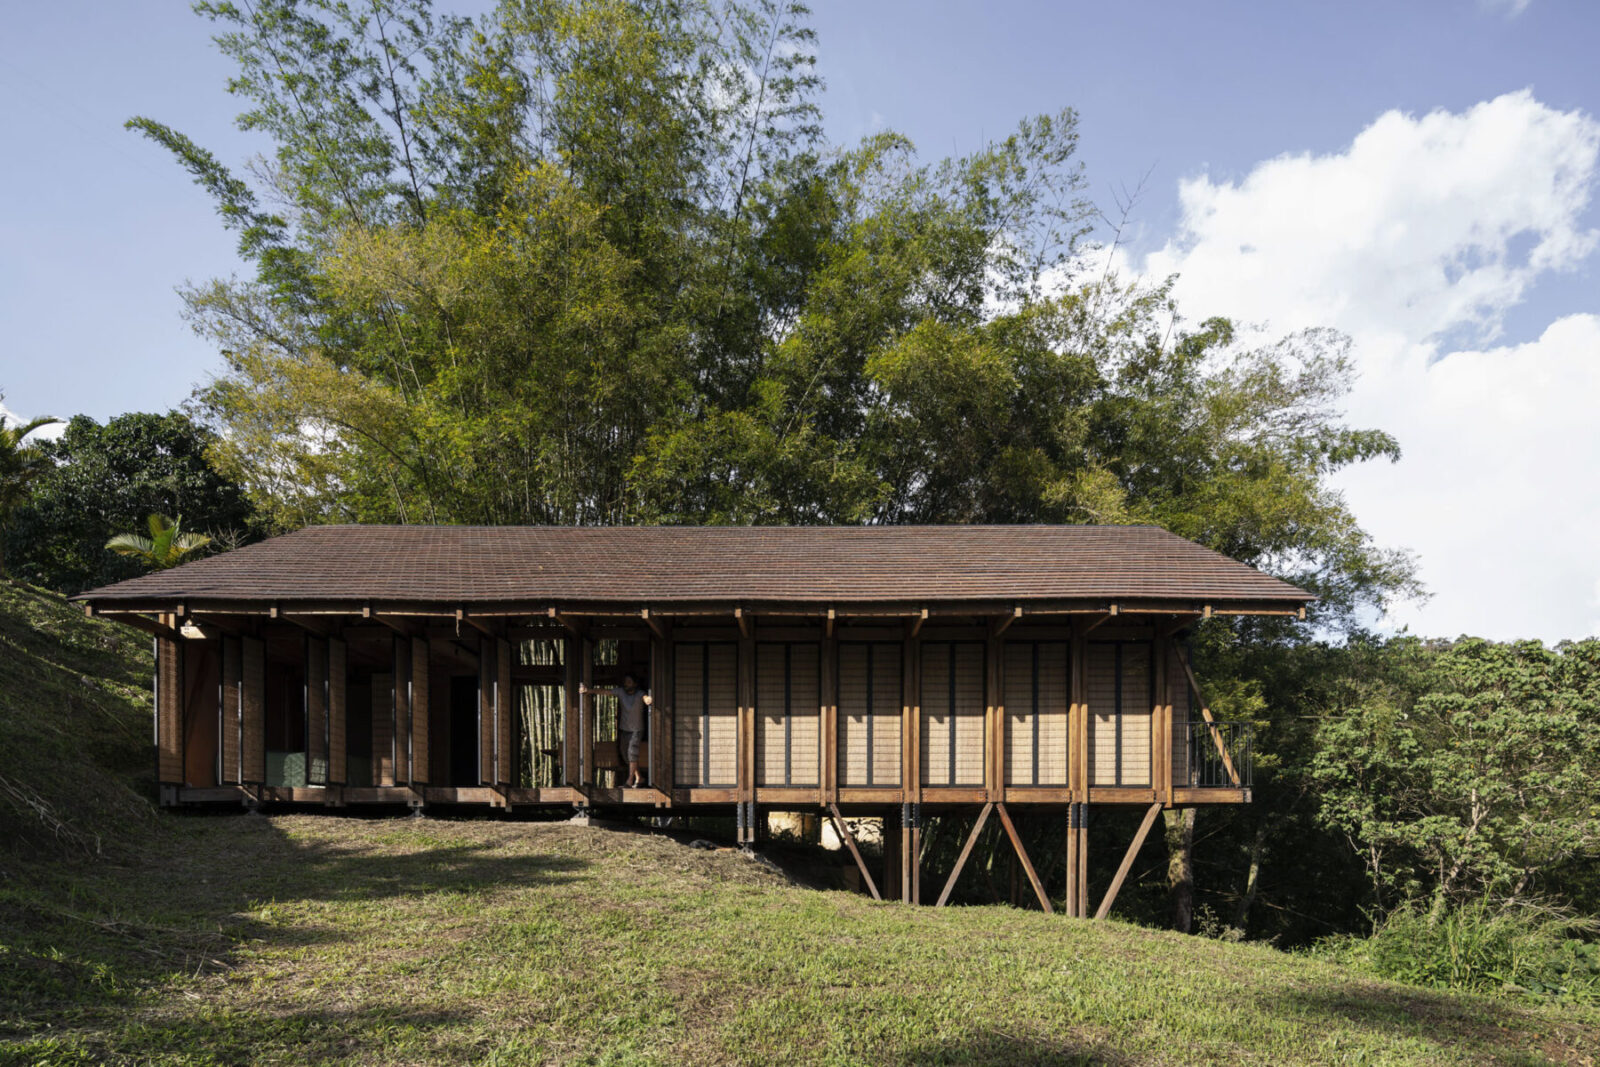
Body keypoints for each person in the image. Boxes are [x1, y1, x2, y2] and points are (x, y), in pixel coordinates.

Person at [578, 673, 652, 788]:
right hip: (624, 729)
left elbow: (645, 697)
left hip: (636, 730)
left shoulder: (639, 694)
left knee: (632, 753)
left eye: (629, 682)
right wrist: (589, 691)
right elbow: (605, 692)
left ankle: (629, 781)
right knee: (625, 754)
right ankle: (639, 777)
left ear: (635, 684)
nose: (626, 684)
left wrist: (648, 699)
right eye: (625, 682)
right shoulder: (621, 692)